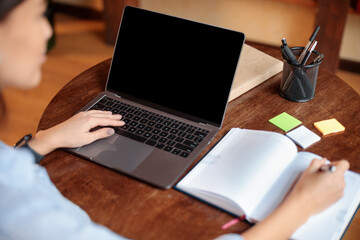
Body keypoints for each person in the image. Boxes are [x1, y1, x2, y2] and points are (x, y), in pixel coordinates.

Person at [0, 0, 350, 240]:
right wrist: (302, 206)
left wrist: (40, 142)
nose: (47, 32)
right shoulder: (19, 210)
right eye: (38, 14)